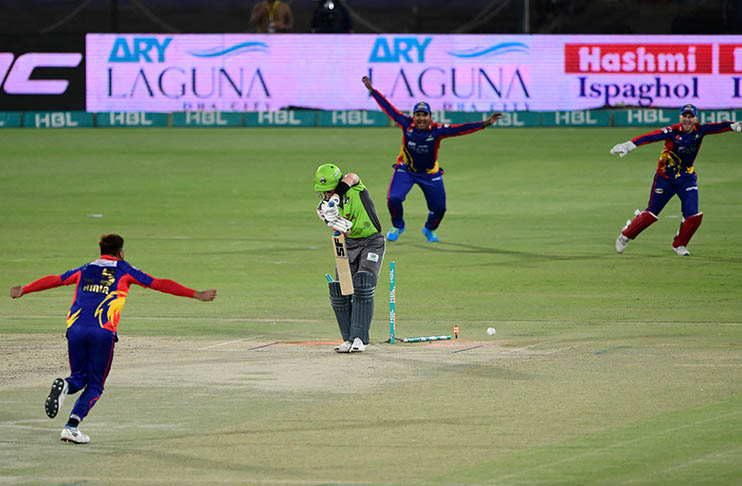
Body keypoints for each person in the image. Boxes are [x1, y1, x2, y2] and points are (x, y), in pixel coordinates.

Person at [9, 234, 217, 444]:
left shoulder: (85, 269)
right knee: (95, 385)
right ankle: (71, 427)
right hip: (102, 332)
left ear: (101, 251)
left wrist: (24, 290)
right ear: (121, 252)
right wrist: (196, 294)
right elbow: (159, 283)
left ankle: (65, 385)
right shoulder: (124, 269)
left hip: (75, 329)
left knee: (79, 377)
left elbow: (55, 280)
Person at [362, 75, 502, 242]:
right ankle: (398, 226)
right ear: (414, 116)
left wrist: (484, 123)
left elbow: (461, 129)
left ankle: (429, 228)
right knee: (394, 198)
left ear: (430, 116)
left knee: (440, 208)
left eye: (424, 115)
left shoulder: (437, 131)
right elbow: (389, 109)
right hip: (406, 170)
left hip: (430, 173)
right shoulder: (406, 124)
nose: (421, 118)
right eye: (418, 115)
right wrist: (372, 90)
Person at [611, 104, 742, 256]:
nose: (687, 120)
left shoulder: (700, 130)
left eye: (690, 117)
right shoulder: (672, 131)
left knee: (693, 216)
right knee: (651, 214)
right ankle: (625, 235)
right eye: (684, 116)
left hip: (687, 178)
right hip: (665, 178)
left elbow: (718, 127)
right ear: (680, 117)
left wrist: (733, 126)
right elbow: (651, 136)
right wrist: (630, 144)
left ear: (695, 119)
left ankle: (679, 244)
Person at [315, 163, 385, 353]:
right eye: (324, 192)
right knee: (342, 290)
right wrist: (335, 222)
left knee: (363, 283)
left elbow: (352, 176)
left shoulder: (355, 188)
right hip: (347, 244)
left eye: (329, 190)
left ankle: (360, 338)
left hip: (371, 241)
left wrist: (336, 197)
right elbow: (342, 231)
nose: (327, 195)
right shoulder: (323, 208)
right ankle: (348, 339)